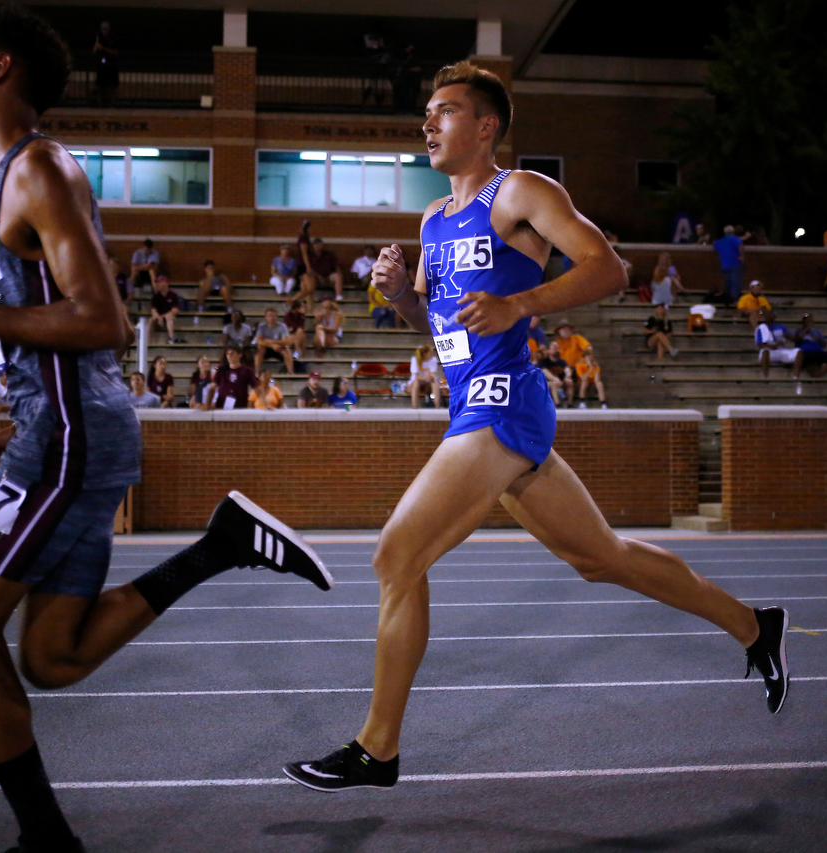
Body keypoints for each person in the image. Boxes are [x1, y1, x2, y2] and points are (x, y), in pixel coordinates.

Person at [285, 61, 789, 795]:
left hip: (505, 402)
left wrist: (522, 306)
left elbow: (609, 268)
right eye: (426, 112)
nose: (429, 124)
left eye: (446, 111)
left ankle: (377, 748)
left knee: (397, 556)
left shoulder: (519, 191)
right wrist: (399, 294)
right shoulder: (431, 218)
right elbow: (438, 331)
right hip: (469, 404)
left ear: (485, 126)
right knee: (602, 557)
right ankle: (754, 626)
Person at [0, 11, 334, 853]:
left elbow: (101, 317)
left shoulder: (39, 168)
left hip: (70, 439)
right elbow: (52, 326)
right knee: (51, 658)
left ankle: (48, 844)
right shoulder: (6, 182)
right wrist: (18, 411)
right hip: (64, 428)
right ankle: (220, 545)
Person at [754, 308, 804, 385]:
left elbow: (791, 338)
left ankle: (795, 377)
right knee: (765, 352)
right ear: (765, 316)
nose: (771, 316)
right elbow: (759, 344)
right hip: (769, 351)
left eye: (772, 314)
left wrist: (792, 336)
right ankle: (765, 377)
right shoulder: (761, 328)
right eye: (769, 314)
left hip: (781, 350)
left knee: (799, 351)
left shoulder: (781, 327)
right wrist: (772, 346)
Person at [212, 344, 255, 409]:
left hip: (240, 404)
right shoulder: (221, 369)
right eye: (228, 354)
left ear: (239, 355)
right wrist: (208, 403)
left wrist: (266, 403)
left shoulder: (247, 371)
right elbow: (213, 387)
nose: (229, 356)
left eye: (232, 354)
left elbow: (256, 387)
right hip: (222, 403)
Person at [253, 307, 294, 374]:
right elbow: (259, 341)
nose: (271, 318)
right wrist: (272, 345)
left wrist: (271, 342)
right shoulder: (262, 326)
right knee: (260, 350)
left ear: (276, 316)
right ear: (266, 317)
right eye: (269, 316)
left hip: (279, 348)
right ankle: (257, 372)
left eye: (273, 315)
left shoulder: (282, 326)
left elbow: (287, 341)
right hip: (266, 348)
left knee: (287, 349)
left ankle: (290, 372)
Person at [792, 313, 827, 378]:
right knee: (808, 359)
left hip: (818, 351)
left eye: (810, 321)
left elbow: (824, 343)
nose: (808, 322)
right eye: (807, 321)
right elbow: (798, 337)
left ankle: (818, 375)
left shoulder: (817, 332)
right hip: (806, 352)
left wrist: (818, 338)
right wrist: (807, 329)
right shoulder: (799, 331)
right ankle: (813, 375)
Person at [710, 225, 744, 304]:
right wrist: (742, 256)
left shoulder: (721, 241)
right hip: (735, 264)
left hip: (724, 264)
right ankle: (734, 299)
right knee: (735, 282)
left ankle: (728, 299)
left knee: (727, 282)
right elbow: (741, 247)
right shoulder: (736, 239)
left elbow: (714, 246)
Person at [536, 341, 574, 405]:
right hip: (546, 382)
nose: (557, 351)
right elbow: (545, 372)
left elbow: (567, 370)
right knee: (554, 384)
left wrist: (567, 377)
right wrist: (554, 379)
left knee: (569, 382)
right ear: (549, 350)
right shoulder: (543, 361)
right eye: (554, 349)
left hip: (560, 381)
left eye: (557, 348)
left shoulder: (562, 362)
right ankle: (557, 403)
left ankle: (569, 403)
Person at [147, 277, 182, 344]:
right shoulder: (155, 297)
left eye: (159, 283)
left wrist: (162, 317)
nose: (157, 285)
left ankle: (171, 338)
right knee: (151, 320)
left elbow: (174, 311)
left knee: (169, 316)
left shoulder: (173, 295)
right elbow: (153, 311)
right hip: (158, 319)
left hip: (169, 319)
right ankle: (148, 341)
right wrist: (159, 318)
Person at [92, 21, 119, 103]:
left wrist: (103, 48)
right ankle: (100, 103)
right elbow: (94, 51)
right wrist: (96, 46)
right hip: (102, 65)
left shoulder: (113, 38)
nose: (104, 31)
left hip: (111, 65)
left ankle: (112, 103)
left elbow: (115, 51)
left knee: (111, 86)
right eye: (103, 29)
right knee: (100, 85)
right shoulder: (99, 38)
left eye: (106, 29)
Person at [408, 344, 441, 408]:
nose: (433, 354)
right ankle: (414, 406)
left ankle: (437, 405)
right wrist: (426, 378)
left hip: (427, 382)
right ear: (425, 354)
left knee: (435, 382)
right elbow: (416, 376)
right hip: (416, 382)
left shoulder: (433, 360)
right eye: (431, 353)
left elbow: (433, 374)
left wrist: (430, 378)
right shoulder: (415, 359)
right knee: (416, 382)